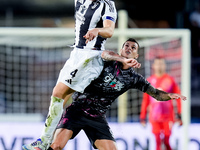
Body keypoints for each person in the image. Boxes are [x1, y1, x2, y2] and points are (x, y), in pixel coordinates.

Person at [46, 38, 186, 150]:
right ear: (121, 50)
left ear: (136, 55)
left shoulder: (134, 79)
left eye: (133, 47)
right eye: (126, 46)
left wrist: (169, 95)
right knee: (57, 146)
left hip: (97, 117)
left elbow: (155, 93)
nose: (129, 48)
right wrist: (122, 59)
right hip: (77, 110)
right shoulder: (107, 61)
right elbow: (104, 53)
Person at [22, 0, 117, 150]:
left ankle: (44, 141)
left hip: (90, 57)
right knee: (60, 98)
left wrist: (97, 30)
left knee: (59, 93)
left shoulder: (106, 4)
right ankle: (47, 140)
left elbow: (110, 30)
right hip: (76, 55)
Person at [140, 57, 182, 150]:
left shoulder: (170, 80)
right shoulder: (149, 81)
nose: (159, 66)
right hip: (154, 117)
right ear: (153, 66)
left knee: (167, 141)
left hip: (168, 116)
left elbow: (178, 97)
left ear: (165, 65)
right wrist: (142, 117)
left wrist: (179, 113)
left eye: (161, 64)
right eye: (157, 64)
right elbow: (145, 100)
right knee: (157, 141)